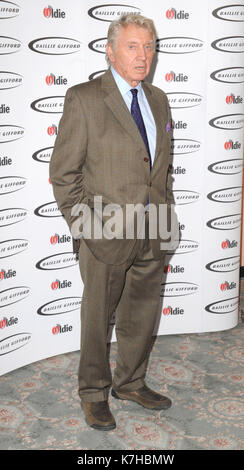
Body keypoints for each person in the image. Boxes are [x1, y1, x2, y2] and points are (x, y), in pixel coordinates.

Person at [49, 13, 176, 431]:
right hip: (103, 233)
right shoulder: (85, 98)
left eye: (149, 46)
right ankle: (93, 393)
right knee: (96, 317)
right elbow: (65, 174)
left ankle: (131, 382)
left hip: (152, 228)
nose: (143, 57)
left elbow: (159, 168)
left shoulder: (158, 100)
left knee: (141, 314)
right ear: (110, 49)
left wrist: (166, 217)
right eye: (133, 46)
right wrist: (86, 229)